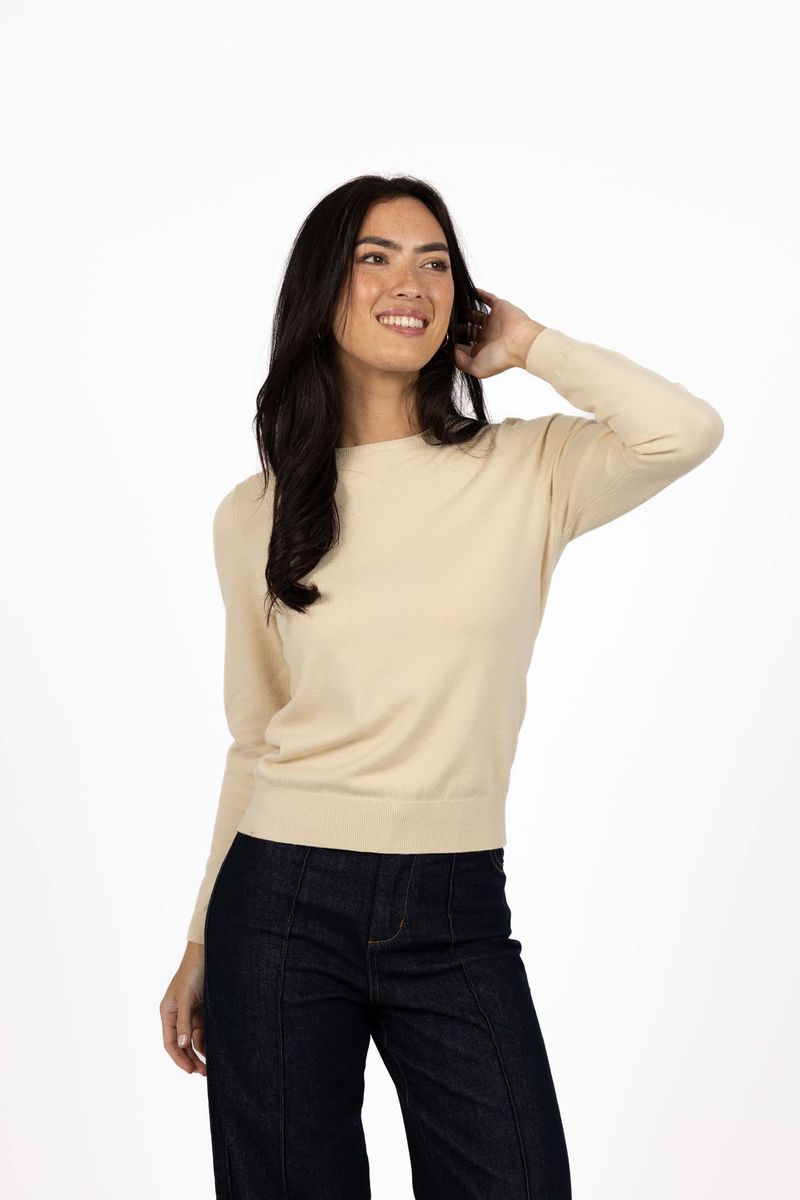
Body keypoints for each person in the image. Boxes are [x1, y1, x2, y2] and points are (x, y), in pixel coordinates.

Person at [159, 174, 724, 1198]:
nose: (408, 282)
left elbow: (683, 431)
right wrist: (202, 934)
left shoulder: (529, 468)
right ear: (322, 290)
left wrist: (530, 345)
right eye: (373, 258)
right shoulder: (255, 513)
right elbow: (256, 736)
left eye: (433, 261)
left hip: (457, 905)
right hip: (278, 902)